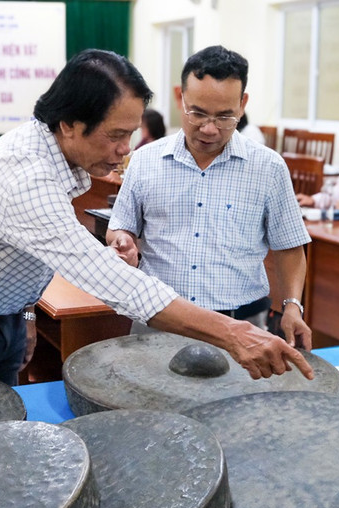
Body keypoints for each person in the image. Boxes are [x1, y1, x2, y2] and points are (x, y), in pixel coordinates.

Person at [0, 49, 314, 386]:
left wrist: (24, 315)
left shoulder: (51, 151)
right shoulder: (27, 177)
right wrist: (234, 333)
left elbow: (25, 255)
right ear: (70, 124)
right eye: (116, 135)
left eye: (131, 133)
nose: (125, 149)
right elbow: (113, 282)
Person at [106, 45, 313, 349]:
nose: (209, 129)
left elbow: (290, 247)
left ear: (242, 105)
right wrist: (122, 240)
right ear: (181, 99)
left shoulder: (268, 168)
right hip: (157, 322)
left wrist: (292, 305)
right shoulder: (145, 161)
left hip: (242, 327)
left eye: (224, 116)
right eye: (198, 114)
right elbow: (120, 227)